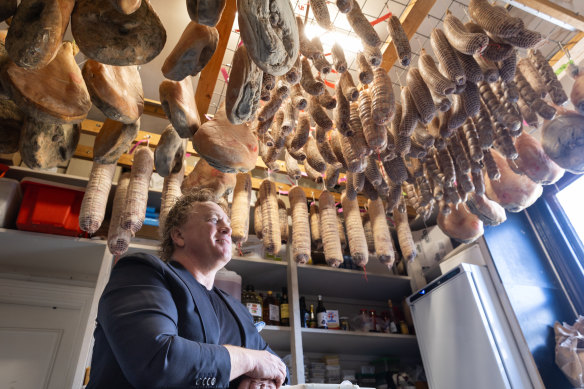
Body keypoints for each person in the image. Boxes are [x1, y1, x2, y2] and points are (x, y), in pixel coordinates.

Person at [87, 187, 288, 389]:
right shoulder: (142, 273)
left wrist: (258, 380)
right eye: (213, 220)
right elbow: (157, 361)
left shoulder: (237, 309)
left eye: (227, 222)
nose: (227, 228)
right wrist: (249, 361)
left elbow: (277, 367)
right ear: (178, 235)